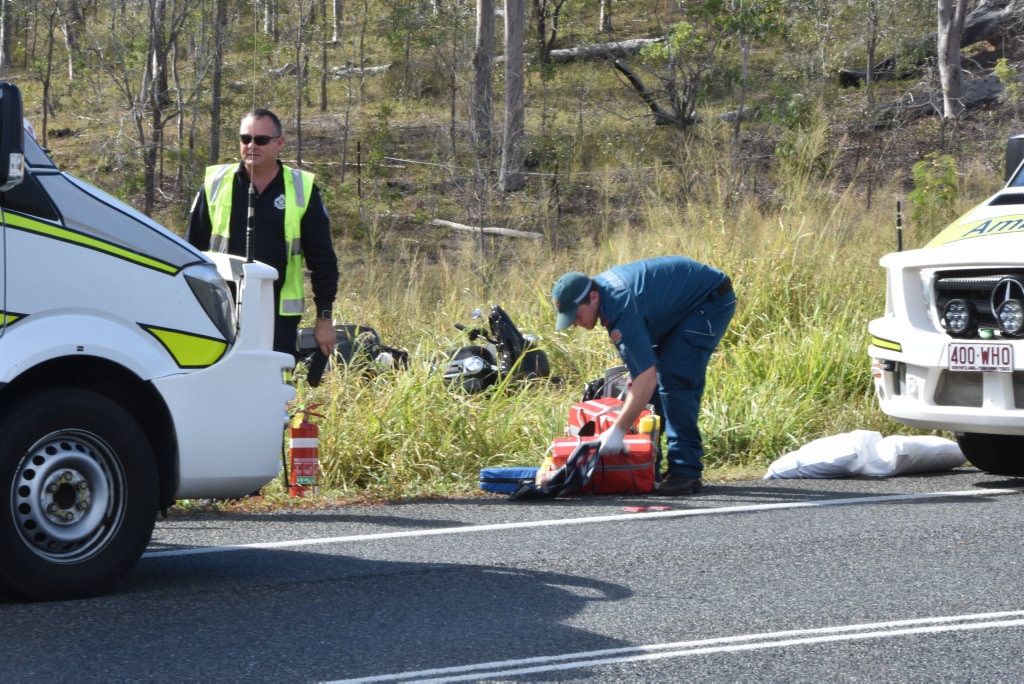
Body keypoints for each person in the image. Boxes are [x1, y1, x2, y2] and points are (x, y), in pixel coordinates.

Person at [551, 256, 736, 495]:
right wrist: (639, 377)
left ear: (593, 298)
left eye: (576, 315)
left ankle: (686, 471)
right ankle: (649, 465)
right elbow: (642, 372)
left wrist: (618, 430)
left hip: (707, 301)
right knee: (650, 387)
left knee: (674, 379)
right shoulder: (606, 300)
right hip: (676, 309)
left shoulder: (618, 304)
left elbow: (647, 378)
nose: (575, 323)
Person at [186, 108, 339, 360]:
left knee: (270, 390)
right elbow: (190, 252)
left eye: (261, 140)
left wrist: (324, 319)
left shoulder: (302, 189)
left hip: (277, 316)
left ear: (280, 142)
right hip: (220, 310)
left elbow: (323, 261)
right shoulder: (215, 183)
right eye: (245, 139)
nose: (251, 146)